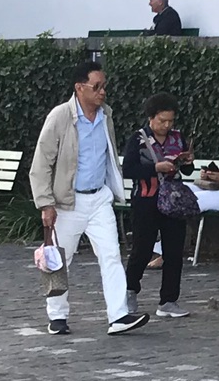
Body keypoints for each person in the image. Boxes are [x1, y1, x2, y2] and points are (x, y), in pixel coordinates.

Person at [31, 60, 148, 336]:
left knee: (111, 255)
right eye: (97, 87)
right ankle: (57, 316)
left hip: (99, 198)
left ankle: (118, 315)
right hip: (68, 202)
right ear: (79, 88)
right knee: (61, 258)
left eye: (104, 86)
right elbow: (41, 163)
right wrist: (46, 203)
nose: (102, 92)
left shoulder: (106, 115)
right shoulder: (60, 117)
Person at [122, 97, 194, 320]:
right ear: (151, 118)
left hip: (172, 199)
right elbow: (128, 169)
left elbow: (188, 171)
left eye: (170, 121)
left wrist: (188, 161)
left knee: (174, 251)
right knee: (142, 249)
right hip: (146, 199)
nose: (167, 125)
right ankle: (129, 290)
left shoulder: (177, 137)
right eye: (162, 120)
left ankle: (169, 300)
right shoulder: (138, 139)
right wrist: (155, 168)